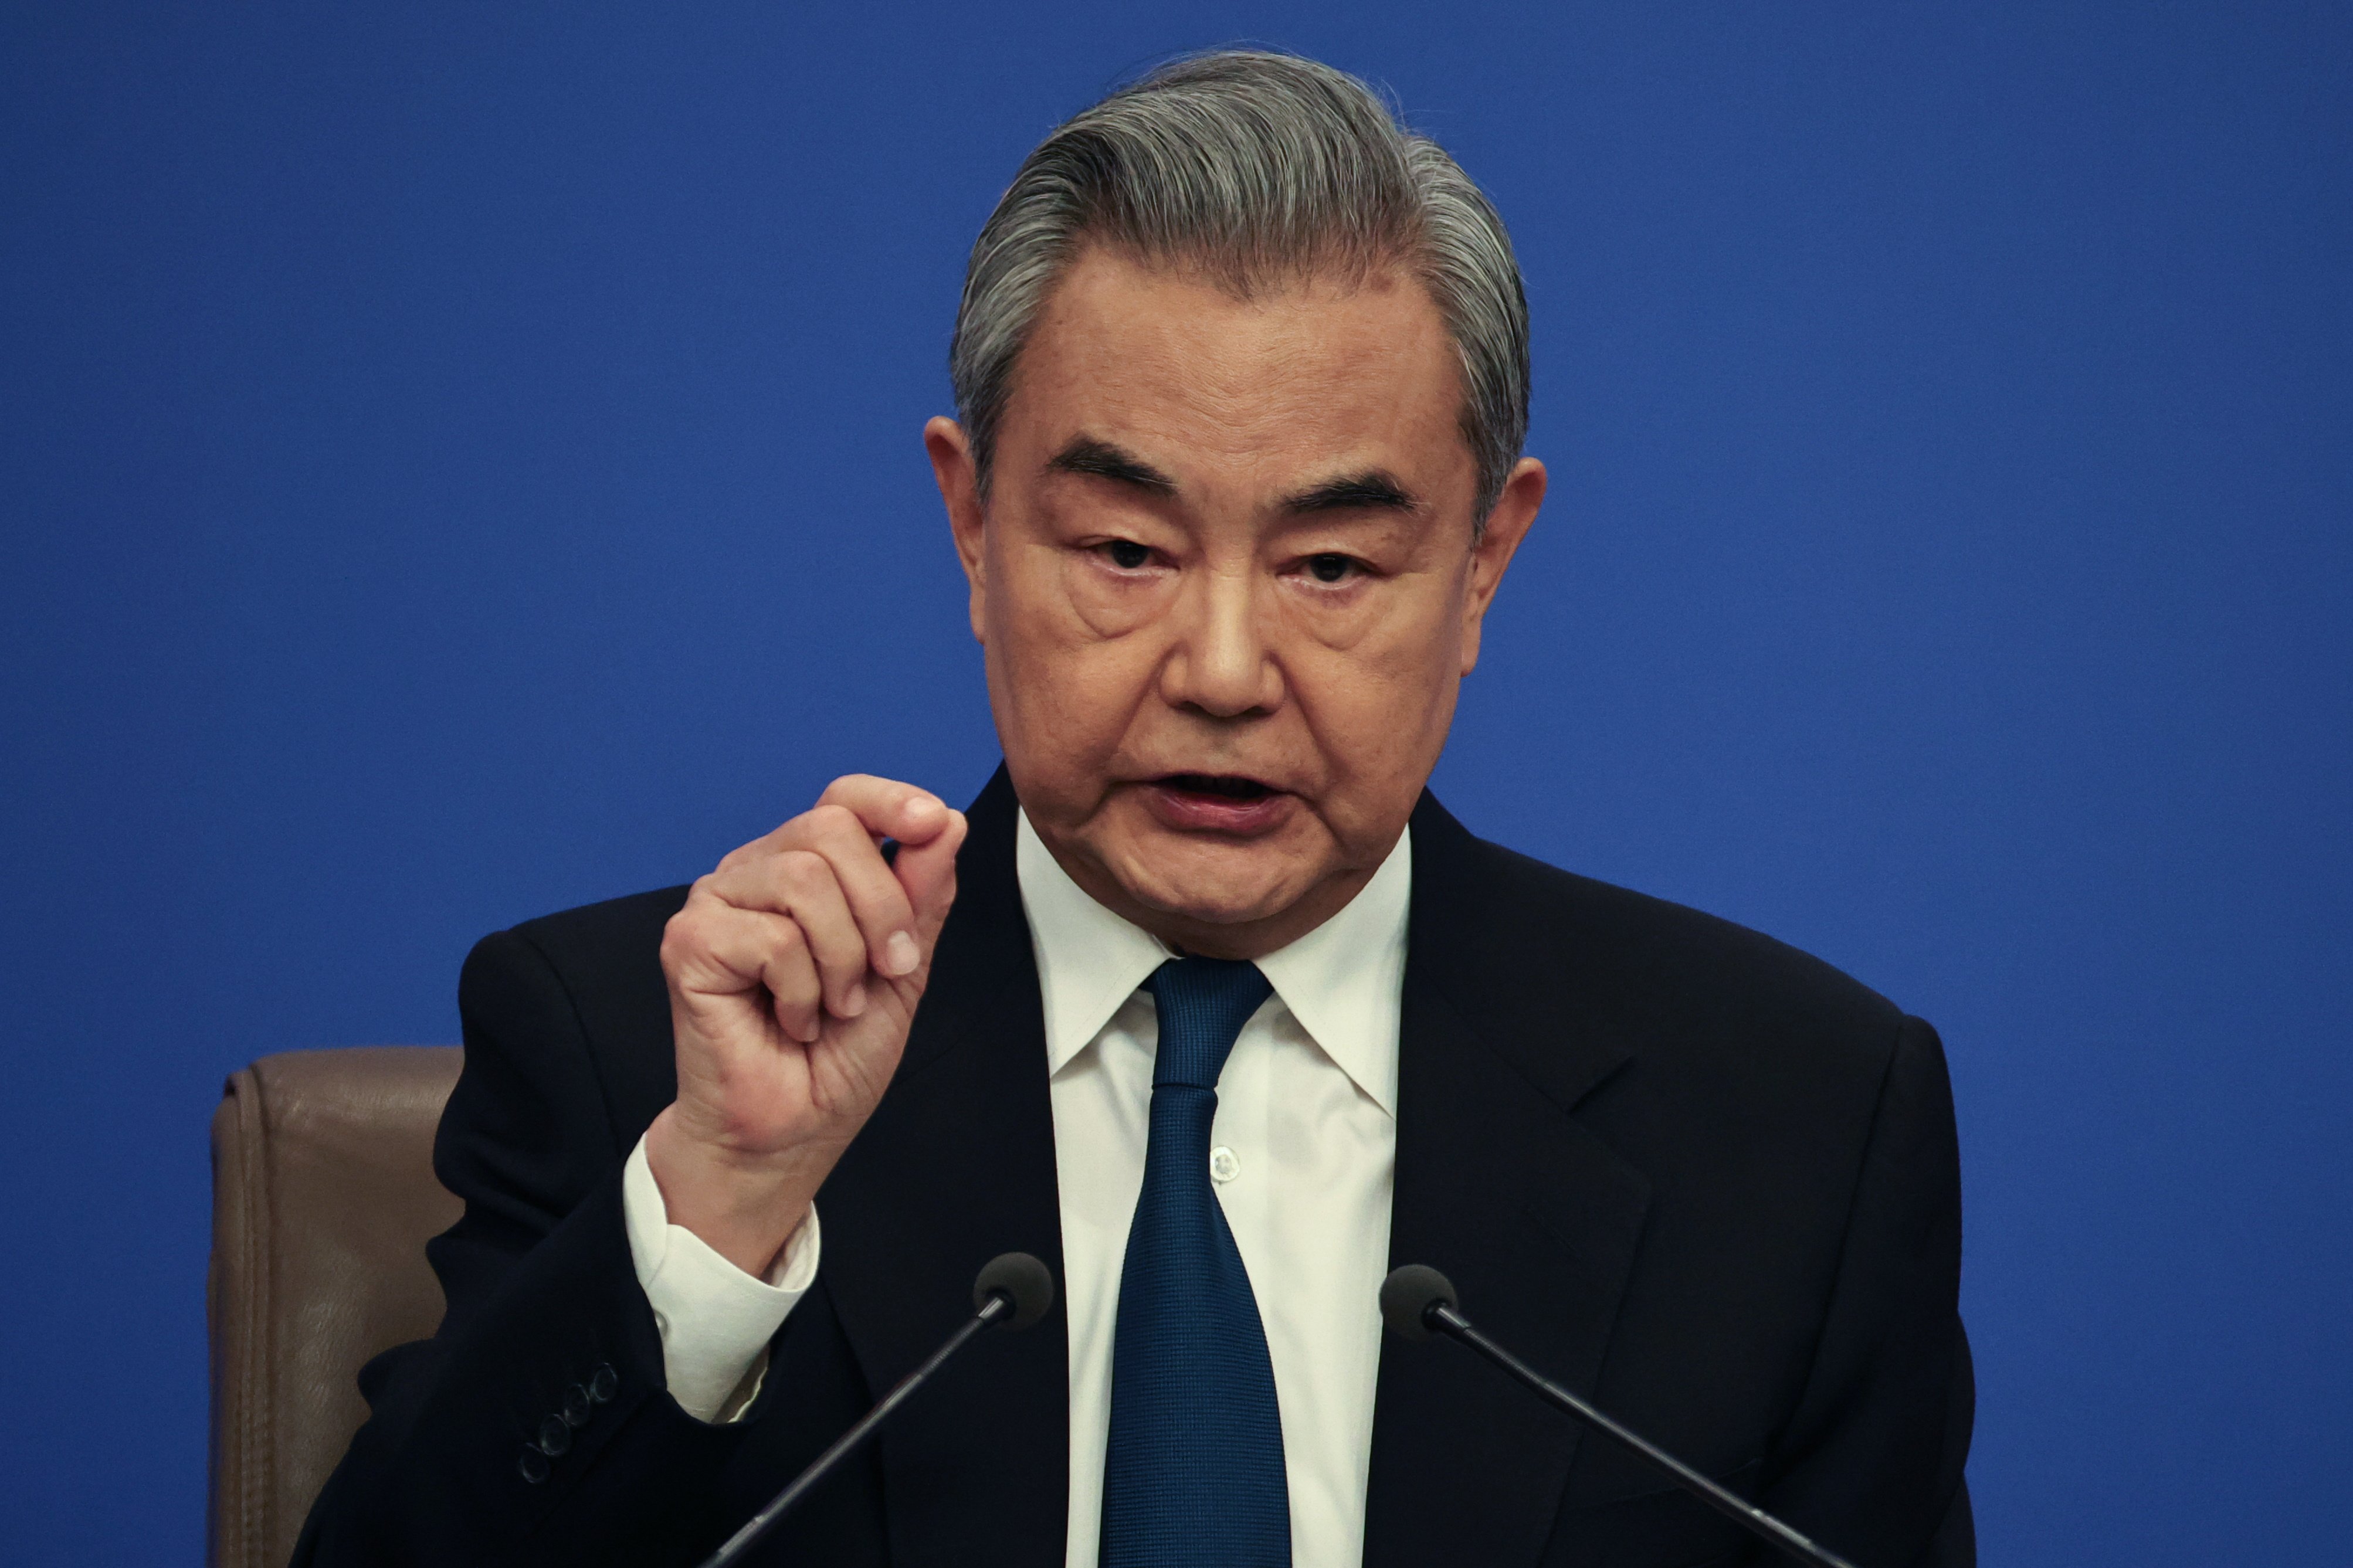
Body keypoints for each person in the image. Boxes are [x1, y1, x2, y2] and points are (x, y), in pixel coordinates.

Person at [296, 49, 1972, 1568]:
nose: (1223, 668)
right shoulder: (637, 1058)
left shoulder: (1794, 1124)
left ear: (1480, 562)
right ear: (969, 524)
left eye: (1329, 563)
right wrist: (722, 1204)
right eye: (1123, 551)